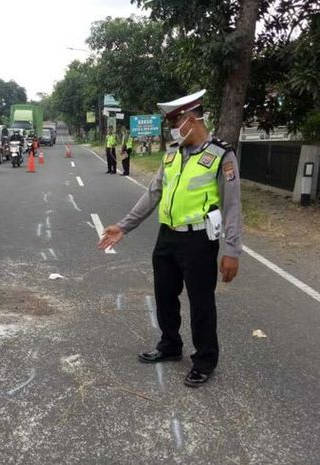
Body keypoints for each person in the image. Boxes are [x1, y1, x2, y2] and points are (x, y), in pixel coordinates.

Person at [97, 89, 242, 388]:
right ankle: (170, 345)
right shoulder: (172, 153)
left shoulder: (221, 156)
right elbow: (153, 193)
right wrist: (124, 227)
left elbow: (232, 206)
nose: (173, 128)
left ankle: (204, 359)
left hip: (199, 240)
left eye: (176, 121)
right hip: (167, 237)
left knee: (201, 302)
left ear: (191, 120)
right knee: (165, 295)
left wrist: (232, 250)